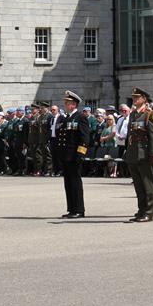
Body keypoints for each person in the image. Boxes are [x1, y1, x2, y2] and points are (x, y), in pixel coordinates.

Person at [124, 87, 153, 222]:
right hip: (133, 153)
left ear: (144, 99)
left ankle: (149, 211)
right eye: (133, 97)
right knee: (139, 185)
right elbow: (129, 135)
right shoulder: (133, 114)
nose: (134, 99)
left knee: (148, 184)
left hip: (145, 154)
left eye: (137, 97)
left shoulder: (149, 114)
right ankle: (141, 210)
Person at [56, 90, 90, 219]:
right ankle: (71, 209)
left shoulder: (81, 117)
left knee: (75, 183)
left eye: (68, 102)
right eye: (65, 102)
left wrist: (80, 155)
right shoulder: (66, 118)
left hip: (75, 156)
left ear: (74, 104)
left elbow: (84, 138)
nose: (65, 104)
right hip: (66, 156)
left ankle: (79, 210)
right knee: (68, 183)